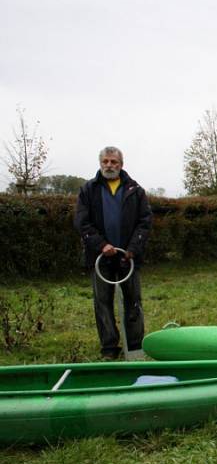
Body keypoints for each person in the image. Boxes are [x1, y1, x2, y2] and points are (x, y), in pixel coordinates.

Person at [74, 146, 152, 360]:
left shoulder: (135, 190)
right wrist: (101, 245)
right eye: (106, 161)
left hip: (128, 257)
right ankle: (109, 349)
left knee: (133, 302)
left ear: (121, 164)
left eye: (114, 162)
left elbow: (145, 223)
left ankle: (135, 348)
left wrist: (133, 249)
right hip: (101, 258)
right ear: (100, 163)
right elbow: (82, 222)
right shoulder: (88, 190)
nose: (109, 165)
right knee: (102, 303)